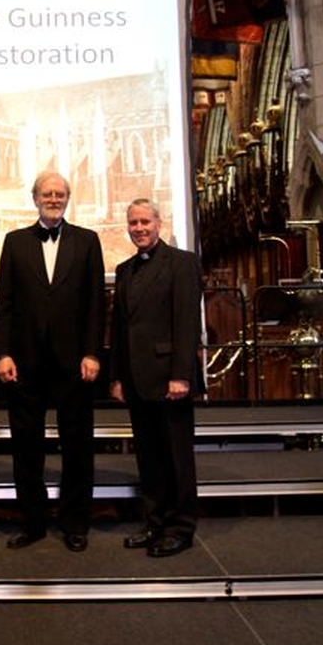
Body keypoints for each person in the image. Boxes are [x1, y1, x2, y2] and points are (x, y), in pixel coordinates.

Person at [0, 170, 105, 552]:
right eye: (47, 193)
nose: (53, 198)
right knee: (27, 447)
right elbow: (4, 304)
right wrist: (3, 353)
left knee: (77, 445)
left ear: (68, 198)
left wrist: (93, 352)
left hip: (74, 363)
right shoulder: (14, 242)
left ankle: (76, 523)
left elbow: (95, 304)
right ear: (35, 198)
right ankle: (33, 523)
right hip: (24, 364)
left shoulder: (88, 241)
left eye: (60, 193)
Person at [109, 198, 203, 557]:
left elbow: (186, 323)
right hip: (136, 380)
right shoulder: (124, 269)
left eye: (145, 222)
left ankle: (181, 528)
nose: (139, 228)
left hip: (169, 380)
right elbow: (119, 328)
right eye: (133, 223)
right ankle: (156, 522)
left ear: (159, 223)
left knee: (177, 458)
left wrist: (181, 375)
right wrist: (117, 376)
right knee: (149, 457)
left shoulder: (181, 263)